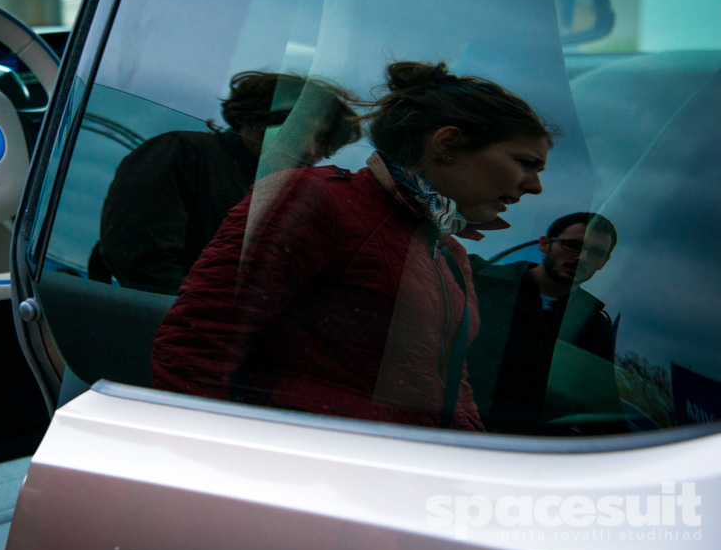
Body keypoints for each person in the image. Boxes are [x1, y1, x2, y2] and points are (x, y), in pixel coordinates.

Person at [151, 61, 553, 430]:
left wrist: (470, 461)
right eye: (525, 163)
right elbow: (198, 345)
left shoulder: (450, 253)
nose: (534, 186)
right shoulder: (314, 199)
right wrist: (208, 464)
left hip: (399, 477)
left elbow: (451, 383)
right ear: (446, 144)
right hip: (310, 475)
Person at [95, 70, 360, 294]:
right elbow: (140, 261)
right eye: (301, 128)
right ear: (249, 116)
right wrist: (210, 317)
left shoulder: (297, 199)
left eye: (324, 140)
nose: (312, 150)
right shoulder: (183, 153)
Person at [467, 212, 620, 435]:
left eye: (596, 253)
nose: (582, 258)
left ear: (604, 263)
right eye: (572, 245)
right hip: (449, 436)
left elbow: (605, 415)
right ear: (544, 244)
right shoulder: (477, 282)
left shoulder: (595, 327)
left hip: (538, 458)